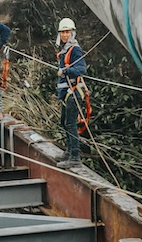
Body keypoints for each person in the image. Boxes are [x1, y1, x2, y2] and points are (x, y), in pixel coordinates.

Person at [55, 18, 88, 169]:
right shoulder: (65, 50)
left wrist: (66, 71)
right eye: (62, 32)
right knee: (64, 122)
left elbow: (81, 69)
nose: (64, 35)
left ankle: (75, 157)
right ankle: (69, 152)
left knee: (71, 124)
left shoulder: (75, 50)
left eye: (67, 32)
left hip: (74, 92)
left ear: (72, 33)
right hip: (66, 94)